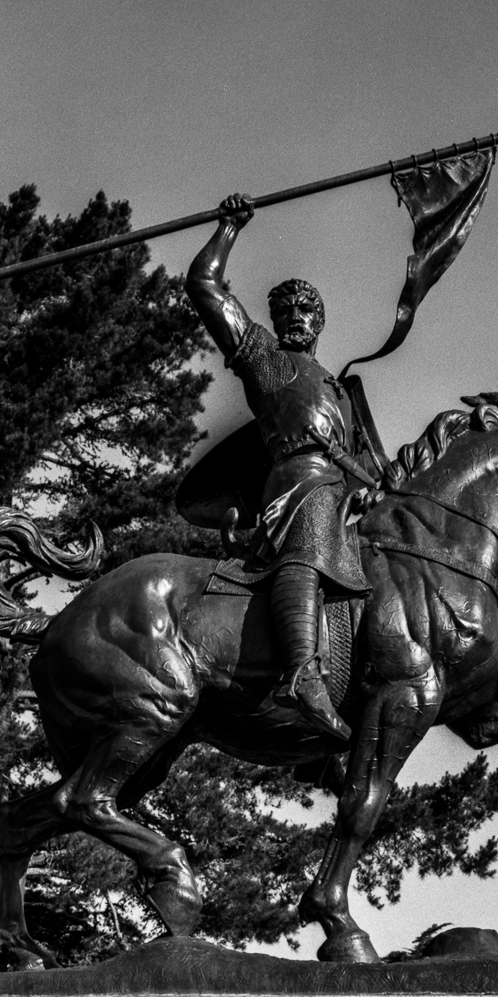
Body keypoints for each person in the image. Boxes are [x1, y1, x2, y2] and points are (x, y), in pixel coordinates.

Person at [186, 193, 380, 741]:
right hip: (299, 484)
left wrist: (371, 489)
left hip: (344, 493)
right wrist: (229, 227)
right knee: (312, 527)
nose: (295, 317)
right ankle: (302, 673)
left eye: (305, 310)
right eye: (285, 311)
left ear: (320, 322)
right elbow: (204, 286)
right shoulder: (268, 361)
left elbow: (367, 462)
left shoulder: (338, 390)